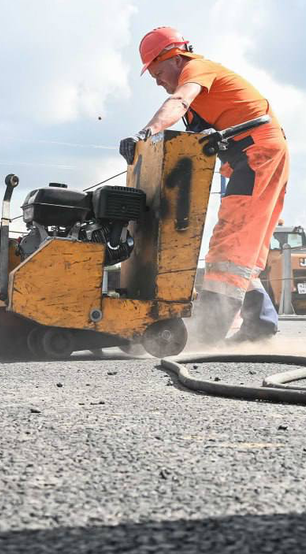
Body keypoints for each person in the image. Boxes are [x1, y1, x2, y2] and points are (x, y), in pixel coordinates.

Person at [120, 26, 290, 345]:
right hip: (254, 156)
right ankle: (260, 323)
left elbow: (180, 100)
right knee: (244, 247)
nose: (158, 82)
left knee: (230, 242)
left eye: (158, 72)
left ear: (175, 57)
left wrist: (146, 132)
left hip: (256, 155)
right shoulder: (204, 93)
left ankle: (208, 332)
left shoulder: (197, 70)